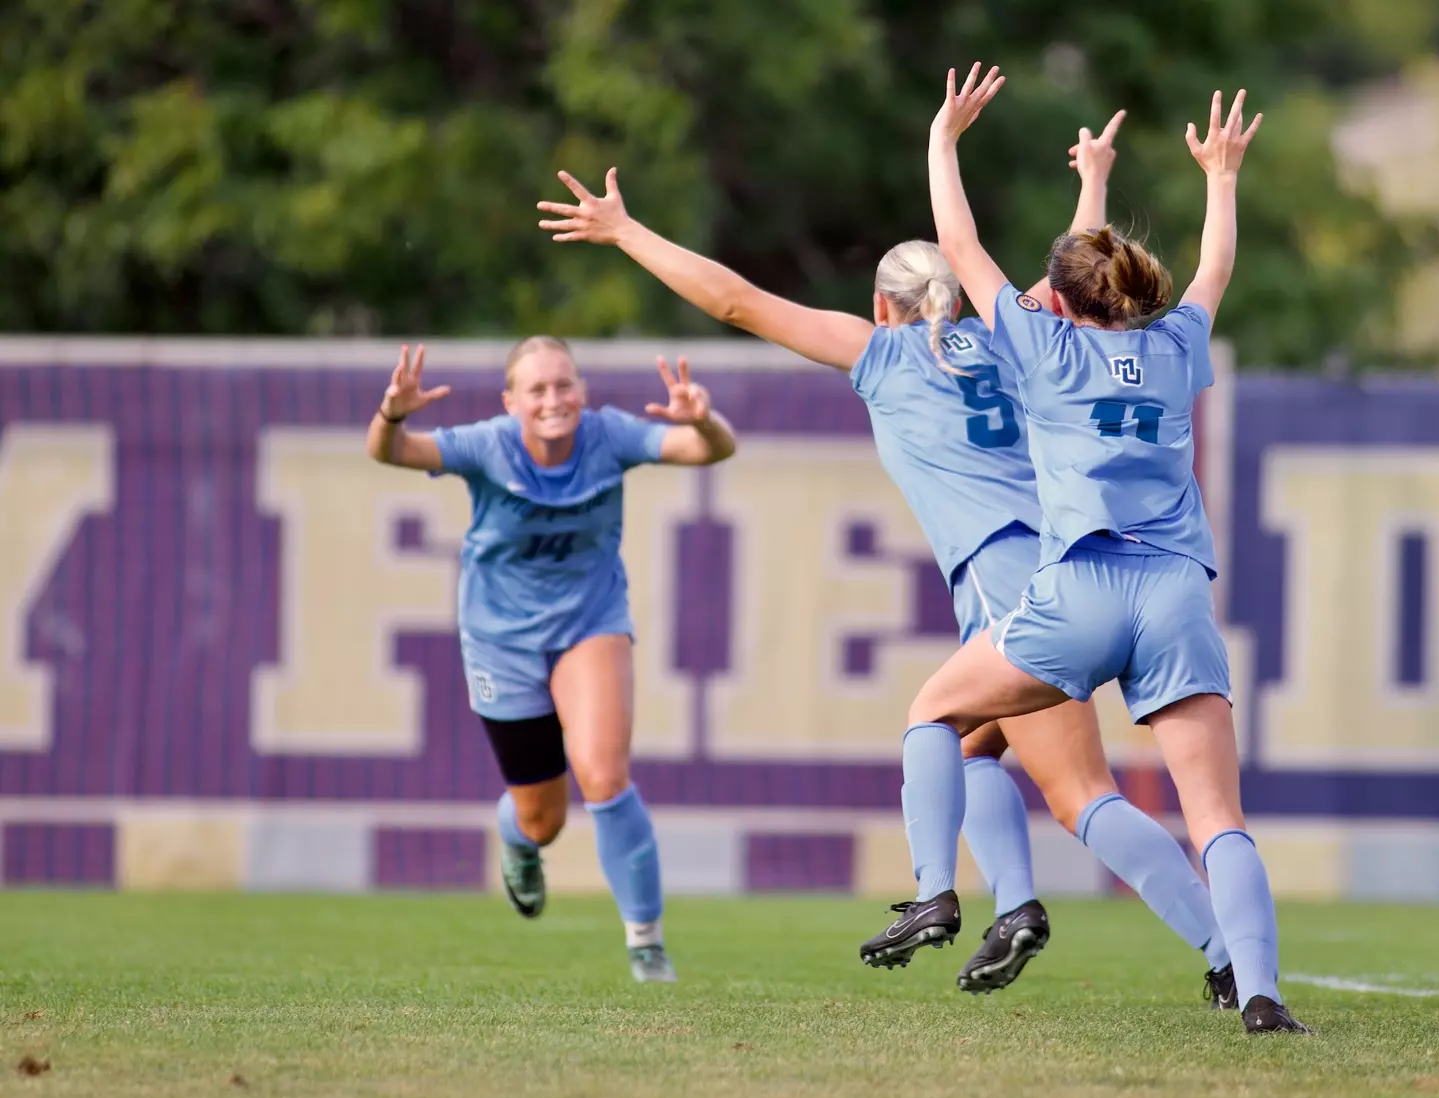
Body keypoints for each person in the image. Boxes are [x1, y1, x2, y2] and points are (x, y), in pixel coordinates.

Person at [536, 120, 1238, 1004]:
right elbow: (1074, 280)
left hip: (1015, 574)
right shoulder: (1017, 331)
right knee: (974, 748)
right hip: (1077, 562)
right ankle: (1015, 905)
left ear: (882, 307)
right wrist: (1092, 183)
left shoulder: (886, 353)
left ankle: (1206, 951)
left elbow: (736, 302)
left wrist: (626, 231)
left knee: (1078, 793)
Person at [904, 63, 1306, 1034]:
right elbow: (1211, 271)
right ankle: (1257, 990)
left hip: (1075, 591)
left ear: (1063, 298)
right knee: (1217, 814)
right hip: (1172, 593)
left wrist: (942, 142)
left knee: (935, 712)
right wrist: (1219, 177)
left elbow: (957, 243)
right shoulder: (1172, 346)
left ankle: (932, 890)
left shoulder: (1043, 349)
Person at [365, 339, 738, 983]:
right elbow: (390, 451)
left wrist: (701, 417)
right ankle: (517, 838)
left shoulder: (609, 436)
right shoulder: (488, 445)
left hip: (590, 624)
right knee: (543, 818)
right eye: (535, 390)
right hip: (499, 640)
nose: (552, 400)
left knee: (603, 776)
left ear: (582, 390)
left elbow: (710, 449)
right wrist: (392, 413)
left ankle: (646, 944)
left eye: (563, 385)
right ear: (511, 403)